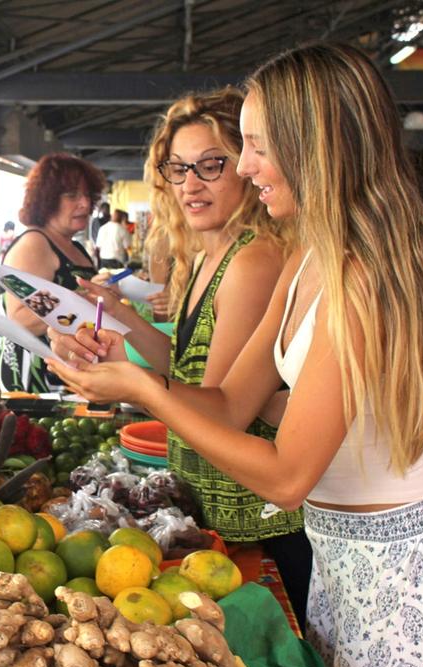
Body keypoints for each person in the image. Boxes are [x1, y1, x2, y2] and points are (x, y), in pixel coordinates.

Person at [47, 43, 423, 667]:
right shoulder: (306, 258)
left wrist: (148, 392)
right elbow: (230, 403)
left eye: (255, 146)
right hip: (338, 556)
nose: (247, 168)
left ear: (315, 147)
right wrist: (130, 369)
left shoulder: (356, 281)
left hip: (403, 575)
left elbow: (285, 478)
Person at [63, 87, 311, 626]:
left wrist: (134, 383)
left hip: (254, 523)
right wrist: (123, 321)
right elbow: (189, 364)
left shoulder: (253, 260)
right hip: (215, 508)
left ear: (246, 166)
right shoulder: (208, 255)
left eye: (210, 166)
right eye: (179, 169)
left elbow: (221, 405)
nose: (190, 185)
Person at [0, 153, 104, 393]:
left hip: (68, 374)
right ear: (47, 199)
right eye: (72, 195)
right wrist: (85, 295)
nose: (85, 204)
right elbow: (22, 318)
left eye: (87, 195)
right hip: (35, 380)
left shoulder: (74, 246)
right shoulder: (35, 244)